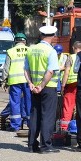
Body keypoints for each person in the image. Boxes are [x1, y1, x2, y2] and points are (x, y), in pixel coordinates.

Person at [25, 25, 61, 153]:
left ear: (41, 35)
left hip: (34, 87)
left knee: (35, 115)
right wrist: (42, 85)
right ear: (53, 37)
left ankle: (31, 145)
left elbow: (26, 69)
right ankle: (45, 146)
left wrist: (30, 84)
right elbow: (50, 71)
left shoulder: (31, 49)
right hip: (48, 87)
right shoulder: (51, 51)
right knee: (47, 116)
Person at [2, 32, 30, 132]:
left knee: (15, 102)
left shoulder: (11, 51)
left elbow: (6, 68)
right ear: (25, 41)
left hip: (14, 81)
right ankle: (29, 123)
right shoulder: (30, 50)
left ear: (15, 41)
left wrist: (4, 81)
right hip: (28, 80)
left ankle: (15, 125)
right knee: (28, 101)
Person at [60, 41, 81, 132]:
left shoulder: (71, 57)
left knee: (68, 106)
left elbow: (67, 72)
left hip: (71, 85)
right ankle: (78, 127)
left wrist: (63, 85)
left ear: (73, 48)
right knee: (80, 107)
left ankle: (64, 128)